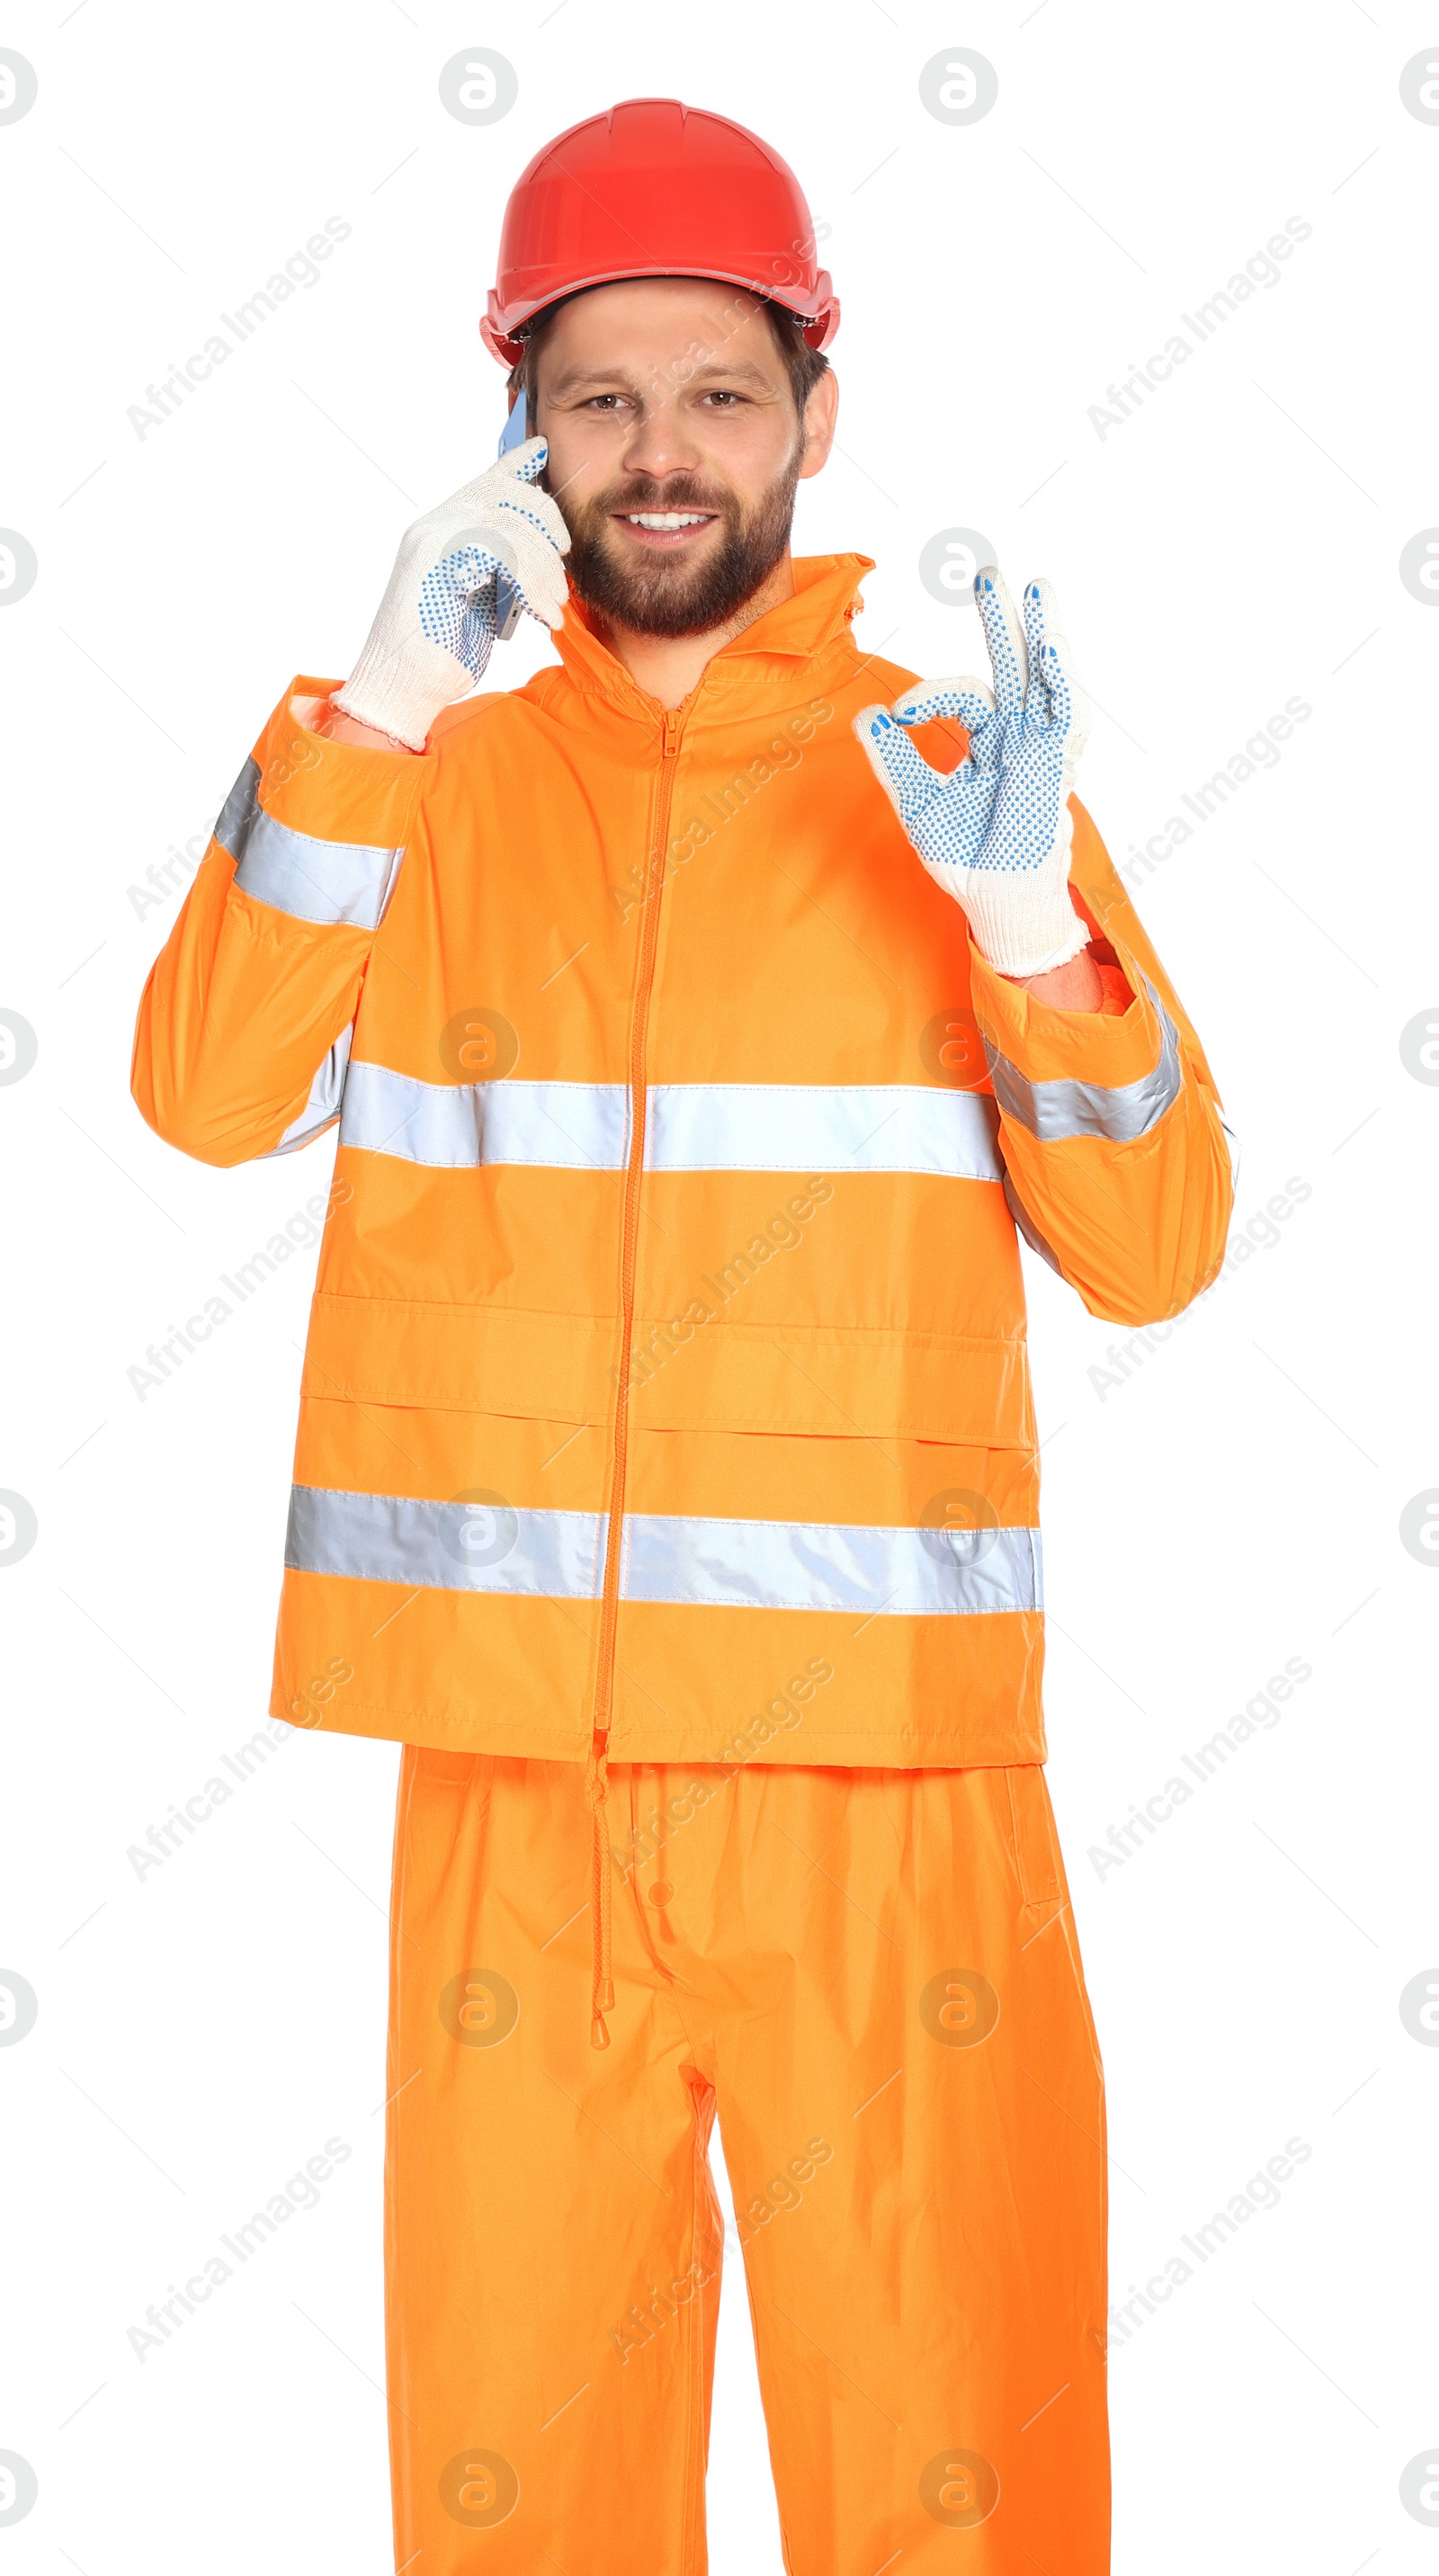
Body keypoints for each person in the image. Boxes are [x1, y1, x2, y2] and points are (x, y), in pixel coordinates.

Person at [132, 94, 1231, 2576]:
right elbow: (203, 1093)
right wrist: (380, 709)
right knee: (521, 2501)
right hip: (521, 1786)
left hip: (891, 1808)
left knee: (949, 2479)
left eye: (719, 393)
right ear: (517, 419)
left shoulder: (955, 787)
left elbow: (1158, 1245)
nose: (660, 452)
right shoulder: (421, 777)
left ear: (816, 419)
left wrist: (1037, 927)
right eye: (600, 394)